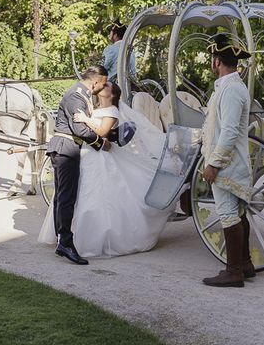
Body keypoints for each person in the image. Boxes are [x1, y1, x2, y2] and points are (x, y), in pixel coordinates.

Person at [39, 82, 173, 258]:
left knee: (96, 196)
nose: (103, 85)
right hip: (86, 154)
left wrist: (86, 120)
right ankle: (65, 236)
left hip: (98, 156)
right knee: (76, 195)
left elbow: (102, 132)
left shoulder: (112, 111)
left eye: (107, 85)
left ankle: (91, 241)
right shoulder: (92, 107)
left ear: (112, 94)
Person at [201, 34, 254, 288]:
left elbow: (230, 131)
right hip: (229, 161)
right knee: (237, 213)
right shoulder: (229, 87)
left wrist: (213, 163)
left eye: (213, 59)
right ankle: (244, 264)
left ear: (217, 60)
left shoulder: (231, 89)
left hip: (227, 163)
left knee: (228, 213)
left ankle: (234, 271)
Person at [44, 65, 110, 265]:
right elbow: (79, 129)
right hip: (66, 148)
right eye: (104, 83)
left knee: (62, 197)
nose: (104, 87)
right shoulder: (76, 96)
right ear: (96, 81)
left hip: (66, 147)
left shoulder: (83, 95)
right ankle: (65, 242)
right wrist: (101, 143)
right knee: (66, 198)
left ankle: (61, 240)